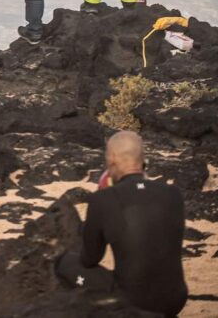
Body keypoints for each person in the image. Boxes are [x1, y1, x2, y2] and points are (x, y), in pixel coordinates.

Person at [55, 131, 187, 317]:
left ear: (111, 159)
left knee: (65, 263)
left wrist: (102, 204)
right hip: (175, 300)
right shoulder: (173, 194)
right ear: (143, 159)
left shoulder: (104, 198)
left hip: (133, 301)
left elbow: (89, 259)